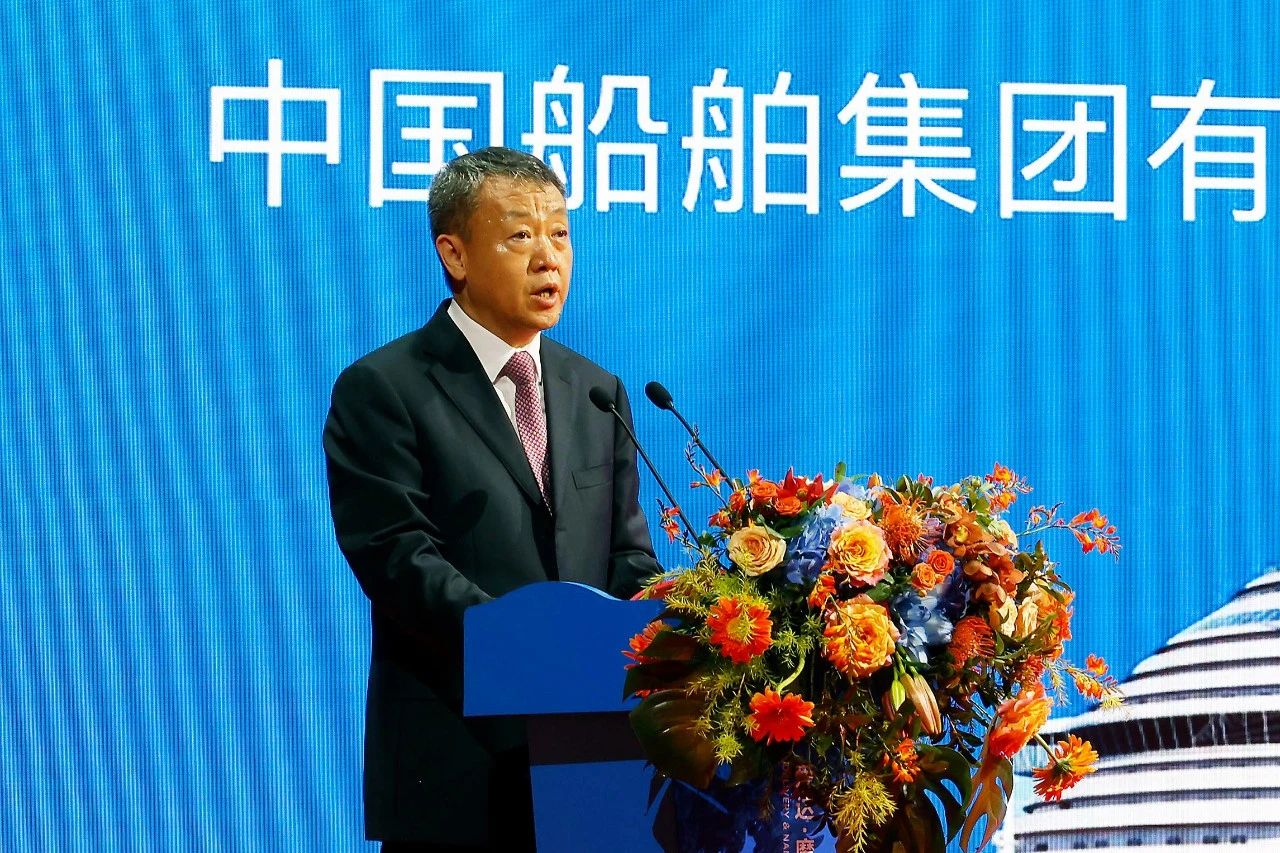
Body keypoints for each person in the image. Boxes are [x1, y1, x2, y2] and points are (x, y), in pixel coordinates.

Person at [323, 146, 661, 852]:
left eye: (560, 234)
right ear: (454, 253)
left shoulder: (596, 391)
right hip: (457, 763)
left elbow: (628, 554)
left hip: (593, 764)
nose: (548, 258)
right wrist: (530, 648)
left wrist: (664, 630)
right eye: (520, 236)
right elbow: (398, 557)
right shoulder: (385, 388)